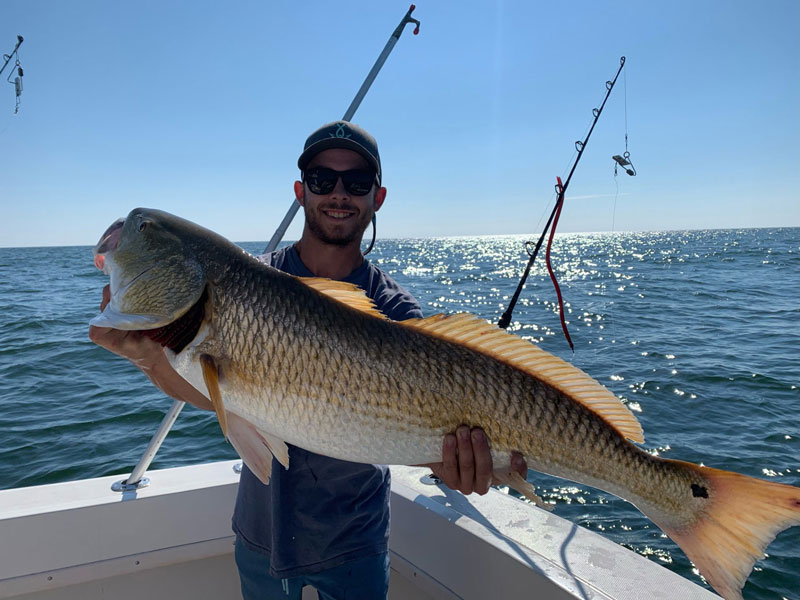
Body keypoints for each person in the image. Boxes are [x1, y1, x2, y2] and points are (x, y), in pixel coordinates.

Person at [89, 120, 527, 600]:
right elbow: (219, 394)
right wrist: (151, 359)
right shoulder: (254, 280)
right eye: (322, 179)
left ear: (377, 198)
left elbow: (427, 433)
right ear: (300, 192)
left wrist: (459, 466)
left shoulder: (395, 311)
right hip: (260, 538)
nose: (338, 193)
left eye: (356, 182)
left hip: (356, 547)